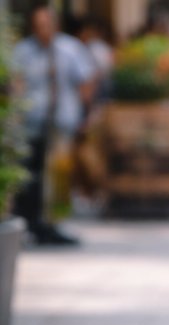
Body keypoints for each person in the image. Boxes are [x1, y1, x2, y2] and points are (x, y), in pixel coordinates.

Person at [12, 6, 94, 246]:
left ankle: (52, 224)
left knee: (57, 175)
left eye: (46, 25)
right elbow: (16, 82)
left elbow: (87, 80)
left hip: (61, 122)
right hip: (32, 123)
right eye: (38, 26)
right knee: (31, 176)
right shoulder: (24, 51)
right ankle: (31, 222)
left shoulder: (69, 49)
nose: (43, 30)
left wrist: (83, 111)